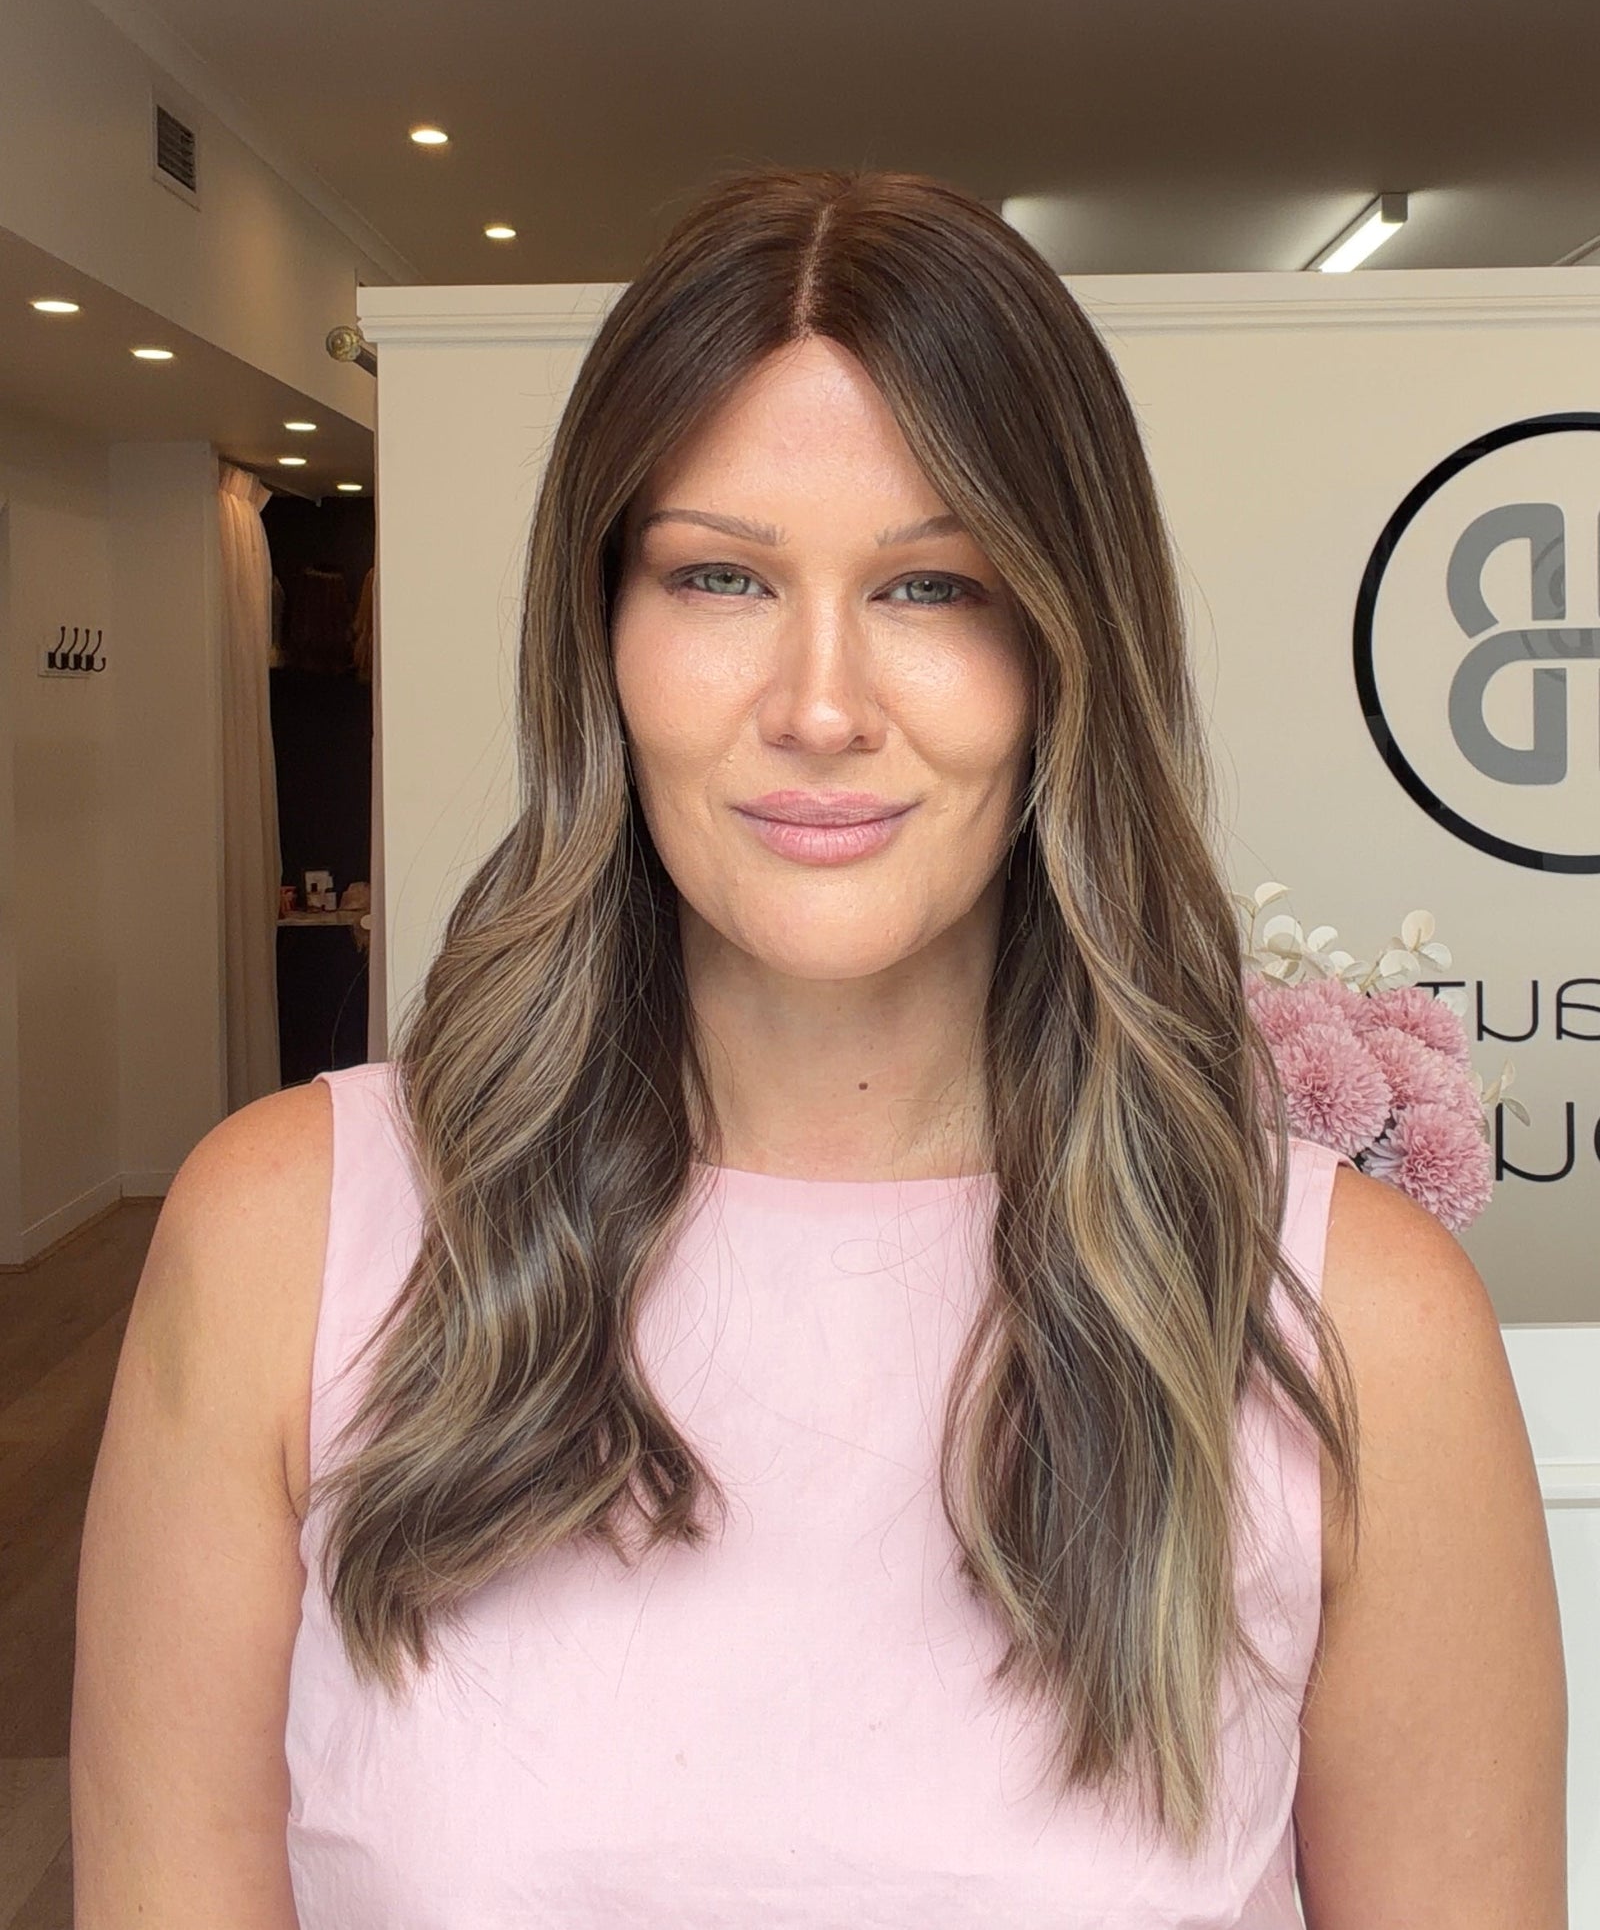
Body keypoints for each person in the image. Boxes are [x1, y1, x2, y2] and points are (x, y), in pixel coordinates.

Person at [70, 167, 1567, 1928]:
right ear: (602, 638)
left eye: (932, 590)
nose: (823, 706)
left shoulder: (1357, 1327)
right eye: (719, 576)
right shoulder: (280, 1244)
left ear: (1065, 650)